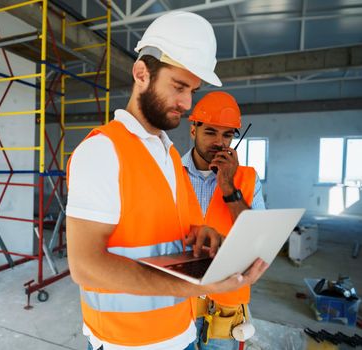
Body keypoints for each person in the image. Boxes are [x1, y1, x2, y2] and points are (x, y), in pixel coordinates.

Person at [65, 11, 269, 350]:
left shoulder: (169, 154)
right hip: (127, 342)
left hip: (180, 332)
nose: (187, 103)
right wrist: (199, 286)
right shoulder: (103, 151)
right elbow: (85, 267)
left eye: (192, 90)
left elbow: (164, 230)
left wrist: (198, 233)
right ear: (141, 73)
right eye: (178, 86)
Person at [181, 91, 266, 350]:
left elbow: (258, 241)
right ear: (193, 130)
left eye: (227, 134)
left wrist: (229, 186)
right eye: (210, 132)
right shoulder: (169, 171)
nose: (220, 142)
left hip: (227, 305)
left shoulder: (248, 179)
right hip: (179, 301)